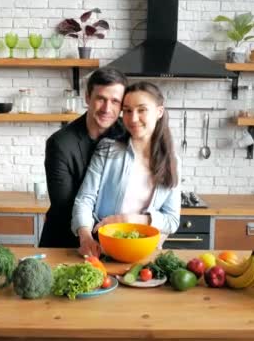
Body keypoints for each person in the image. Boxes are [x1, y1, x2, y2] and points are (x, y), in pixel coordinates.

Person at [71, 81, 181, 257]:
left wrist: (130, 220)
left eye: (142, 110)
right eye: (128, 111)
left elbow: (172, 220)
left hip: (145, 252)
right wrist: (85, 238)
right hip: (103, 249)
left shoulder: (171, 161)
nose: (133, 118)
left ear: (159, 112)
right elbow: (85, 199)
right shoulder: (107, 150)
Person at [39, 68, 128, 248]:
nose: (107, 108)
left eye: (115, 101)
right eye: (101, 99)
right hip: (66, 242)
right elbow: (64, 206)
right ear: (88, 98)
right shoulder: (60, 143)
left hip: (115, 241)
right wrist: (90, 234)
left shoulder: (130, 136)